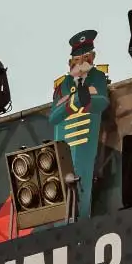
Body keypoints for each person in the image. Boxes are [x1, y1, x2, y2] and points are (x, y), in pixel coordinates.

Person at [51, 30, 111, 218]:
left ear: (93, 57)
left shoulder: (98, 77)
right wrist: (75, 100)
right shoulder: (63, 84)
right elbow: (54, 116)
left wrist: (83, 100)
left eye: (86, 58)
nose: (81, 63)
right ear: (70, 62)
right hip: (64, 141)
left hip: (86, 138)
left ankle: (81, 220)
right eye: (77, 59)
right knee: (61, 187)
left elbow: (102, 101)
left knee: (83, 182)